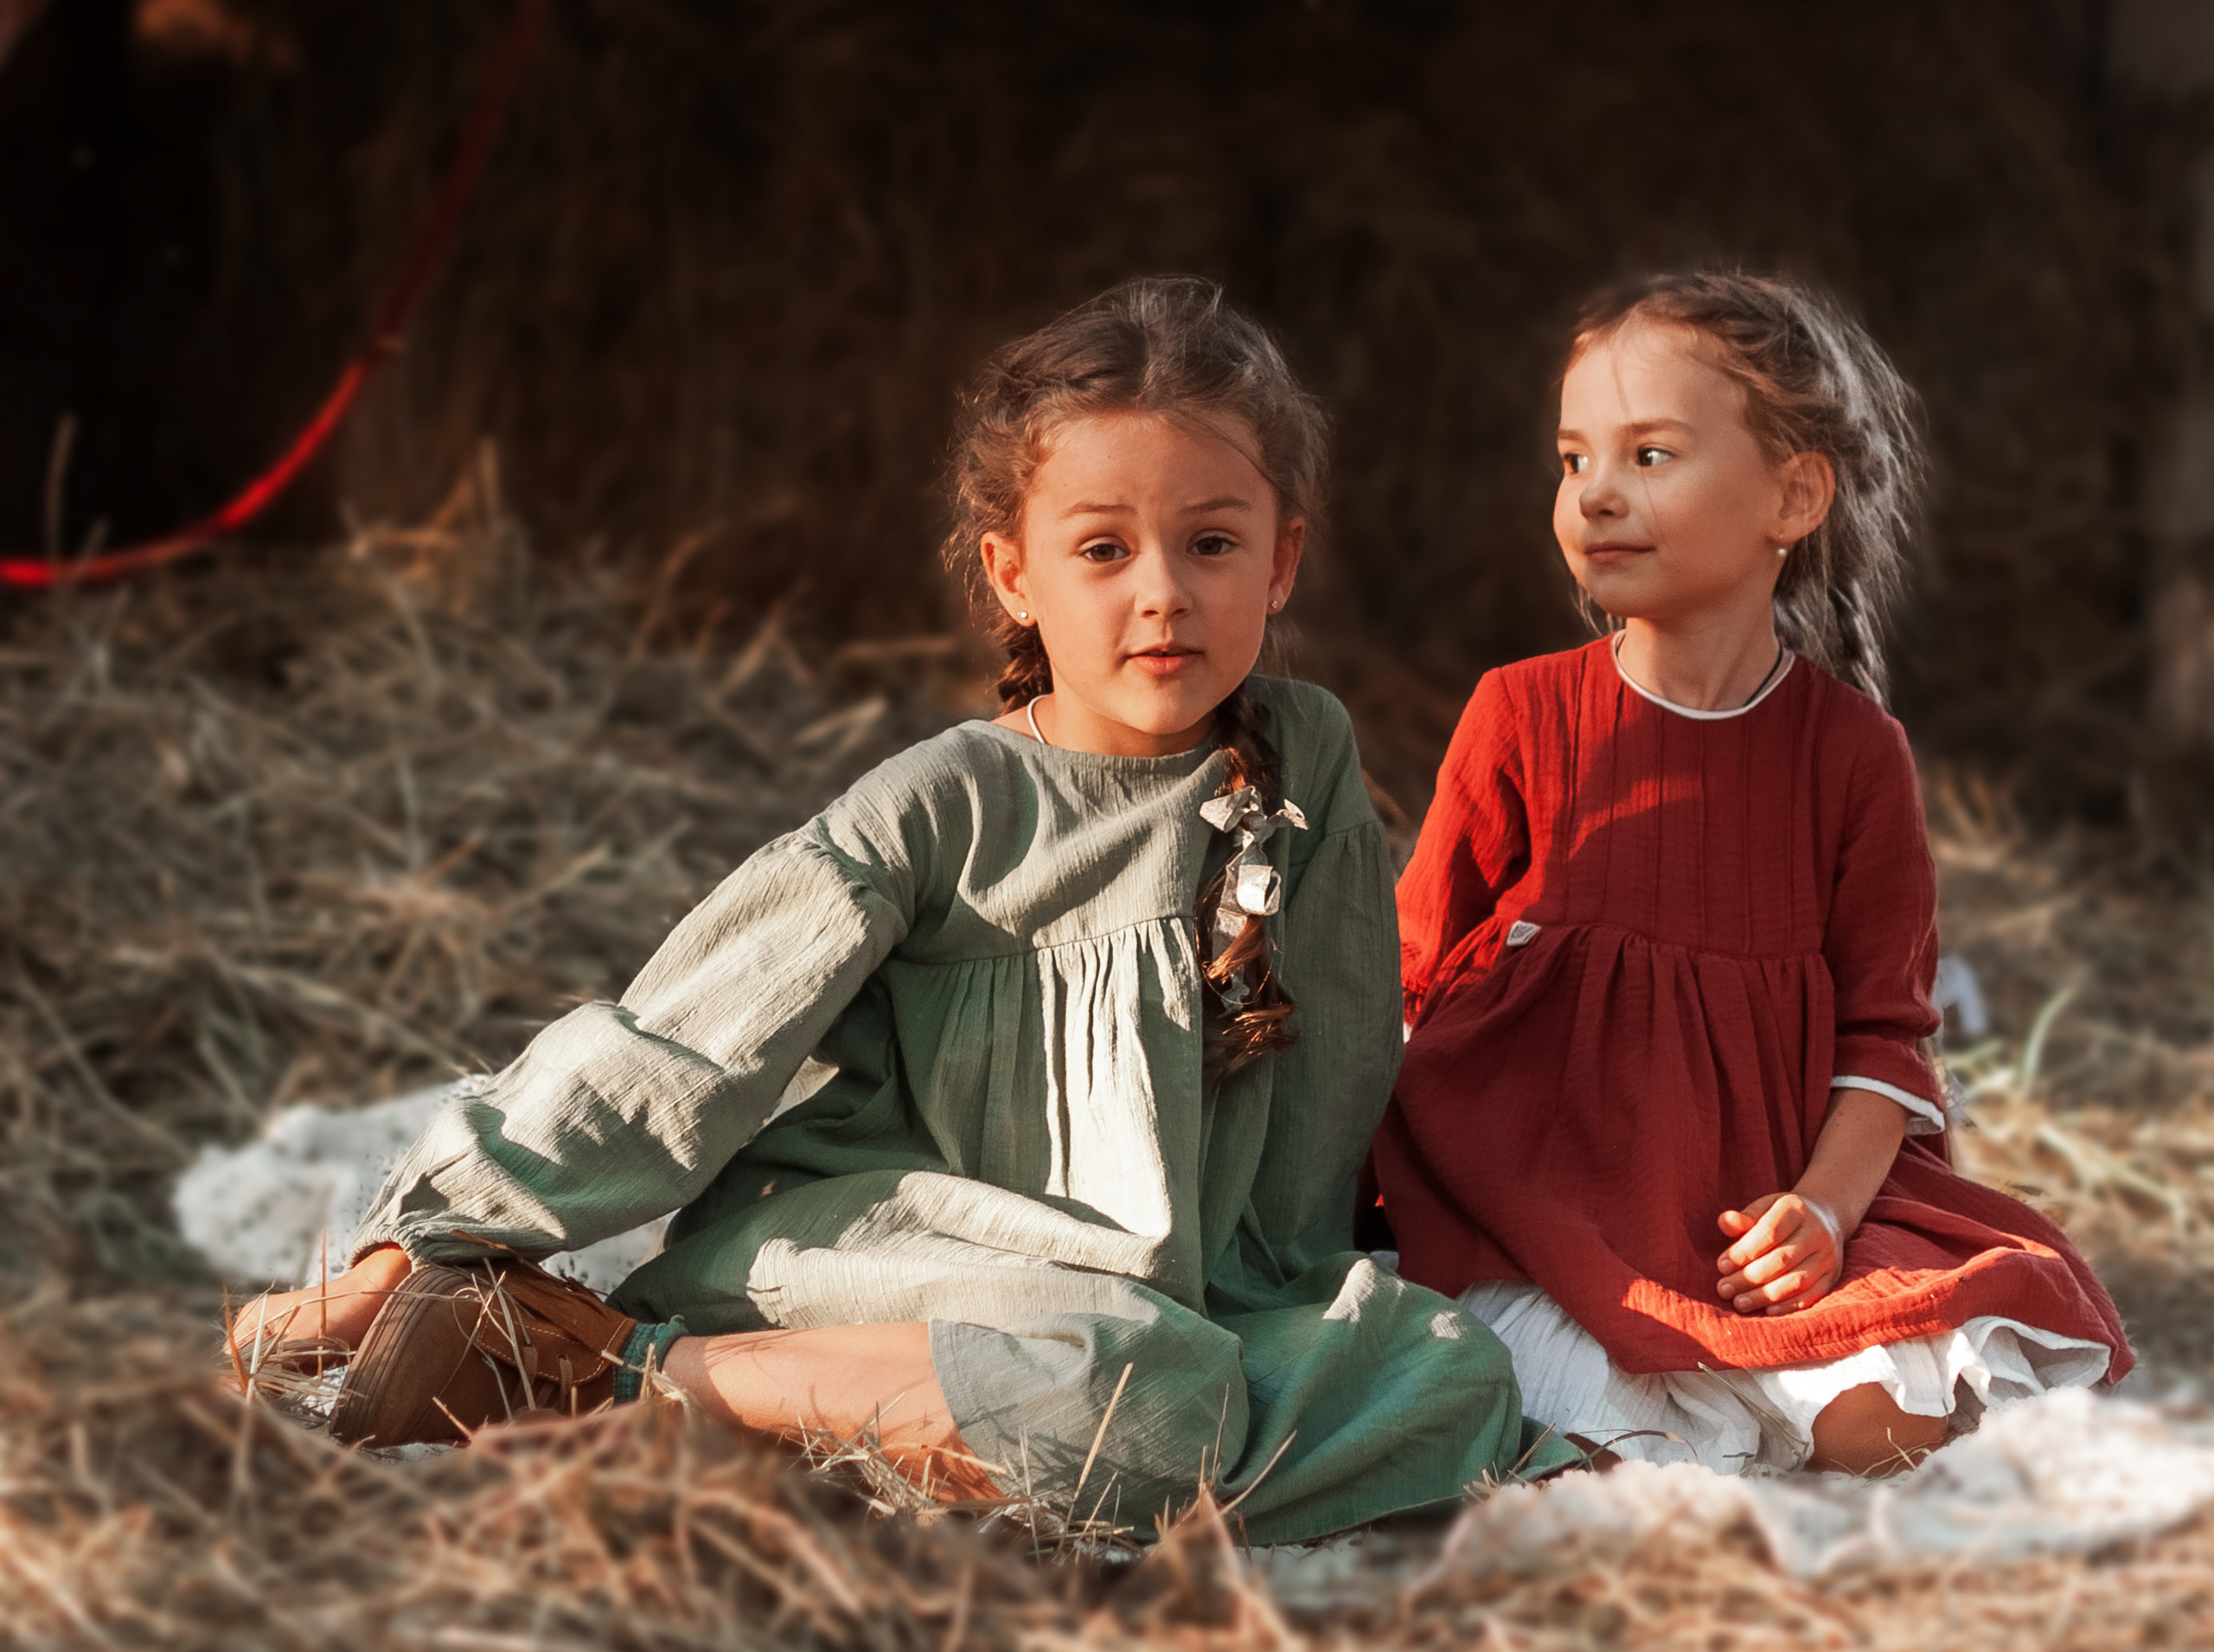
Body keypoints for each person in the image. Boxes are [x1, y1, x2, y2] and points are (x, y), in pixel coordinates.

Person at [240, 276, 1578, 1534]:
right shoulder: (943, 802)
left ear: (1283, 560)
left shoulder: (1310, 757)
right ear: (1014, 575)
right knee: (1142, 1392)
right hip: (885, 1250)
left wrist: (1328, 1295)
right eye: (1103, 549)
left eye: (1211, 541)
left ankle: (808, 1422)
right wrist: (427, 1234)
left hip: (1196, 1297)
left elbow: (1341, 1062)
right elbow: (690, 1036)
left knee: (1448, 1377)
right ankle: (614, 1368)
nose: (1163, 589)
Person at [1373, 268, 2128, 1479]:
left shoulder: (1852, 756)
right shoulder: (1520, 714)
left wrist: (1824, 1216)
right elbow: (1403, 991)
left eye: (1651, 455)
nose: (1596, 495)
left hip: (1757, 1222)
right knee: (1605, 1454)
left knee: (1880, 1438)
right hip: (1548, 1218)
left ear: (1793, 492)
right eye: (1574, 460)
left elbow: (1887, 1040)